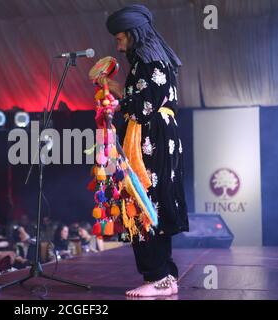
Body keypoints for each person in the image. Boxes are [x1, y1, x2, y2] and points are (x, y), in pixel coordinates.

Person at [105, 4, 189, 297]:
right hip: (161, 136)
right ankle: (165, 277)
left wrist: (116, 90)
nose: (117, 45)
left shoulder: (147, 61)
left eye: (120, 38)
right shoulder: (156, 59)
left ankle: (157, 276)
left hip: (150, 140)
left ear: (132, 34)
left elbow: (141, 108)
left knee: (143, 203)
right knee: (156, 204)